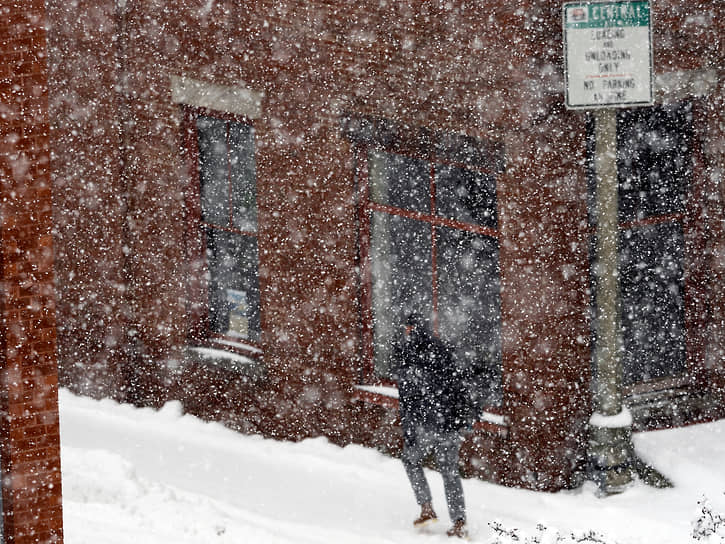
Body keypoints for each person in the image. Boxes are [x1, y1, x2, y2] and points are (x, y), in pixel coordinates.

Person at [392, 312, 472, 539]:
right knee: (449, 472)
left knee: (410, 460)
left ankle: (426, 508)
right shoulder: (441, 351)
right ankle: (459, 522)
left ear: (409, 329)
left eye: (406, 328)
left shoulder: (409, 356)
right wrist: (458, 420)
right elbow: (458, 387)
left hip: (426, 424)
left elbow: (407, 401)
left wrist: (410, 433)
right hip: (448, 423)